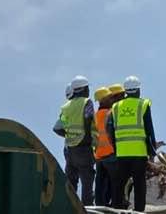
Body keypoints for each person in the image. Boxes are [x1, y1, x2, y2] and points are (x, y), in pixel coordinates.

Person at [107, 75, 157, 212]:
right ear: (138, 90)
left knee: (119, 184)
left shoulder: (115, 107)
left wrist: (116, 149)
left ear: (126, 91)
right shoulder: (143, 104)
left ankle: (116, 210)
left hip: (122, 153)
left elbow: (111, 131)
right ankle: (139, 211)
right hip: (139, 153)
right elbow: (149, 129)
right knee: (139, 184)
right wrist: (152, 151)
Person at [53, 75, 96, 205]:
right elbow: (88, 117)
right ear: (84, 89)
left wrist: (70, 136)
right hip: (84, 147)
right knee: (87, 181)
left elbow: (58, 128)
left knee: (71, 182)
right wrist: (87, 138)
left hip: (70, 149)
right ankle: (86, 208)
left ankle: (69, 207)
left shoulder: (66, 107)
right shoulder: (86, 102)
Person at [92, 86, 117, 207]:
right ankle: (115, 205)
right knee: (114, 182)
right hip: (110, 153)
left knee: (100, 183)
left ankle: (99, 205)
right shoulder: (110, 113)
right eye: (109, 98)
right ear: (103, 100)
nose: (112, 100)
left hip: (99, 155)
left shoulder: (95, 116)